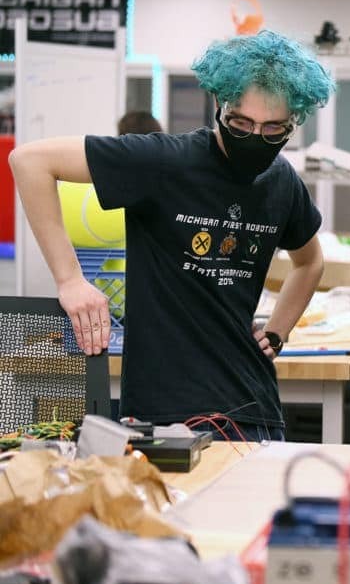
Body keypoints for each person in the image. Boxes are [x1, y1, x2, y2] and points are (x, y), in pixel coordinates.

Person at [9, 30, 333, 442]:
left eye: (273, 130)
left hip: (253, 409)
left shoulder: (281, 180)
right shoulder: (165, 162)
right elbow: (30, 161)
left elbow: (310, 262)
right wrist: (70, 279)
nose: (255, 137)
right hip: (164, 412)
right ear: (220, 105)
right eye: (241, 123)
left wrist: (277, 332)